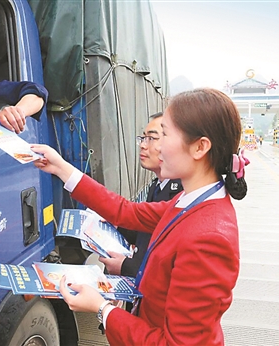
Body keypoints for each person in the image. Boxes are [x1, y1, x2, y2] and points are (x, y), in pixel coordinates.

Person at [31, 87, 249, 345]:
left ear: (200, 147)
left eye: (164, 135)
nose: (155, 148)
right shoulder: (189, 201)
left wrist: (102, 309)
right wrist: (61, 168)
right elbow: (124, 211)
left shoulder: (209, 237)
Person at [99, 112, 183, 278]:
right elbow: (146, 232)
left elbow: (164, 264)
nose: (143, 145)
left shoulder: (180, 194)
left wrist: (125, 267)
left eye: (151, 138)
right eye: (143, 138)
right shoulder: (157, 186)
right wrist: (117, 225)